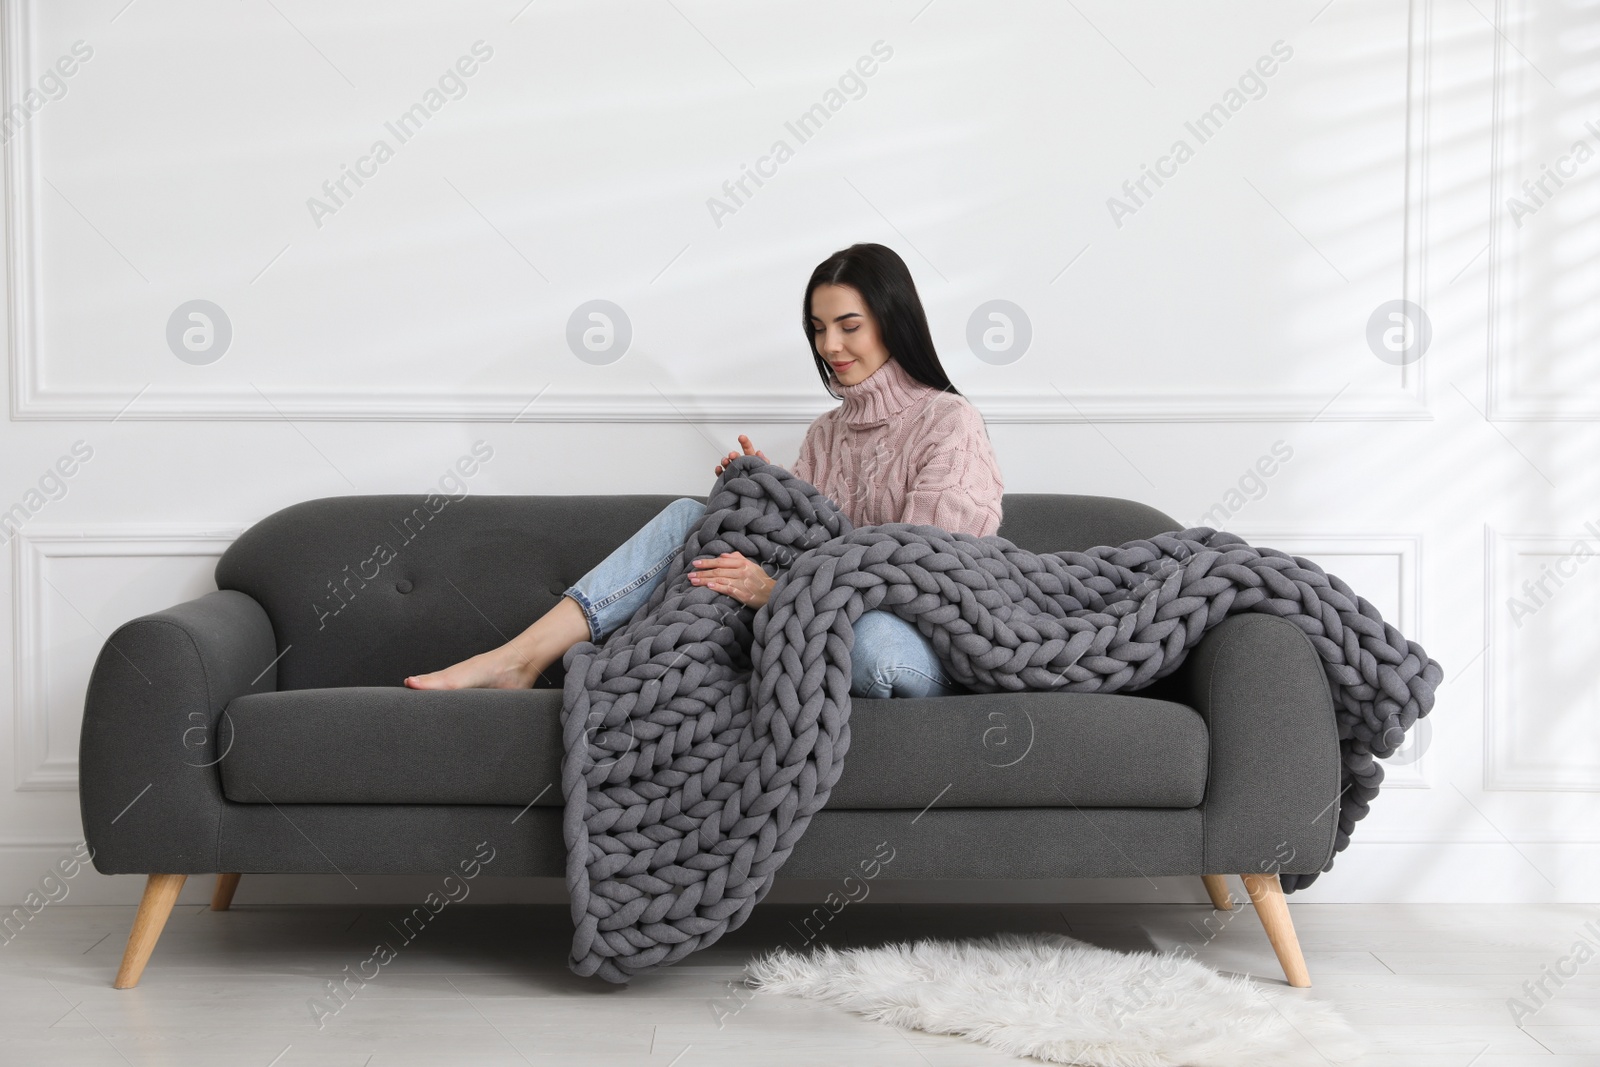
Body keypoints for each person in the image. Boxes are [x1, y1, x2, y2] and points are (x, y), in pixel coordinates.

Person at [404, 242, 1004, 697]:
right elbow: (809, 543)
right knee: (692, 515)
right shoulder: (826, 432)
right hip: (821, 619)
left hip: (923, 642)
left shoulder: (949, 423)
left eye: (849, 326)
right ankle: (521, 658)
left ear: (893, 320)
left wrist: (776, 593)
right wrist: (769, 496)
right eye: (818, 329)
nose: (830, 346)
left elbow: (924, 585)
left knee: (870, 646)